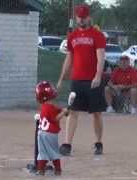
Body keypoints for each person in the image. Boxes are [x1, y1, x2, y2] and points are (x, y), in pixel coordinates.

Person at [57, 4, 106, 156]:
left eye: (84, 17)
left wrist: (98, 75)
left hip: (92, 80)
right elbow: (69, 58)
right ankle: (67, 144)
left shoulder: (97, 35)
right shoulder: (72, 37)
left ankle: (98, 143)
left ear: (89, 17)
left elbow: (101, 57)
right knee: (73, 112)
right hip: (77, 80)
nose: (82, 19)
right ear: (76, 17)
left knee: (96, 113)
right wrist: (61, 78)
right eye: (79, 16)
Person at [35, 81, 68, 176]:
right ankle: (58, 170)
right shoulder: (49, 107)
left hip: (41, 133)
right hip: (50, 134)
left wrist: (62, 110)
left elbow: (55, 109)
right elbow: (55, 118)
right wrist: (63, 112)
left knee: (42, 153)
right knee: (54, 152)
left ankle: (41, 170)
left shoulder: (45, 106)